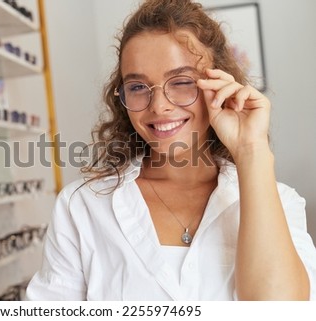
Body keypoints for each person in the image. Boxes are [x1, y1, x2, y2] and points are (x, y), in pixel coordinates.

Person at [26, 0, 316, 300]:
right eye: (138, 87)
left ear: (217, 85)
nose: (159, 106)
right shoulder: (82, 207)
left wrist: (251, 150)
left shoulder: (279, 202)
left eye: (181, 81)